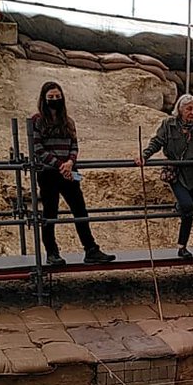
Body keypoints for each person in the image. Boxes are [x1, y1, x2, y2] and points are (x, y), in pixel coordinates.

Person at [27, 81, 115, 265]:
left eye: (57, 97)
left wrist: (70, 163)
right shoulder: (37, 121)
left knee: (80, 209)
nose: (54, 100)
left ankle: (91, 249)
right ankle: (52, 252)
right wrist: (61, 165)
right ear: (44, 99)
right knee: (50, 213)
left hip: (70, 172)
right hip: (49, 173)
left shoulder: (69, 121)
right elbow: (38, 149)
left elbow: (74, 146)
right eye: (51, 97)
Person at [138, 93, 193, 258]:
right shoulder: (168, 124)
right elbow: (156, 142)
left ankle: (182, 246)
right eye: (189, 109)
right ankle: (180, 206)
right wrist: (144, 156)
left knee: (189, 212)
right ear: (180, 110)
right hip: (175, 173)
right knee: (186, 206)